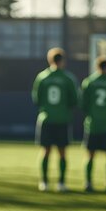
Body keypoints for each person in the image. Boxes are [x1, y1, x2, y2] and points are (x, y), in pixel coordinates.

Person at [32, 48, 78, 192]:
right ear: (62, 60)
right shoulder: (68, 78)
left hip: (46, 119)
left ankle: (44, 182)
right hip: (62, 119)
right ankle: (61, 183)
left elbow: (36, 99)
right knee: (62, 152)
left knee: (45, 151)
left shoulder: (42, 77)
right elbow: (74, 100)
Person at [81, 56, 106, 193]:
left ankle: (88, 183)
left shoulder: (89, 82)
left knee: (90, 155)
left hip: (93, 124)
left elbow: (83, 104)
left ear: (96, 66)